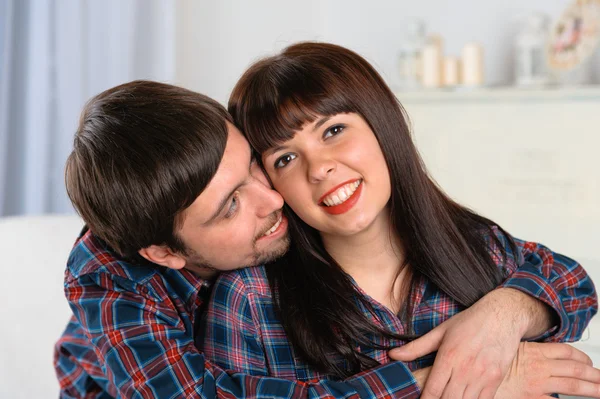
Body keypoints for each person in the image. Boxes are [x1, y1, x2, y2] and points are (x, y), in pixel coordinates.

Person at [54, 80, 596, 399]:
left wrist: (505, 315)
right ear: (166, 252)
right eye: (231, 207)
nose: (273, 200)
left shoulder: (454, 243)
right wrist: (459, 386)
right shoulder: (117, 284)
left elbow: (565, 276)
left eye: (255, 167)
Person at [202, 42, 599, 399]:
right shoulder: (250, 301)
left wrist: (502, 317)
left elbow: (573, 285)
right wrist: (488, 384)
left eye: (334, 130)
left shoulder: (478, 248)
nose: (319, 168)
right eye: (285, 159)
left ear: (382, 124)